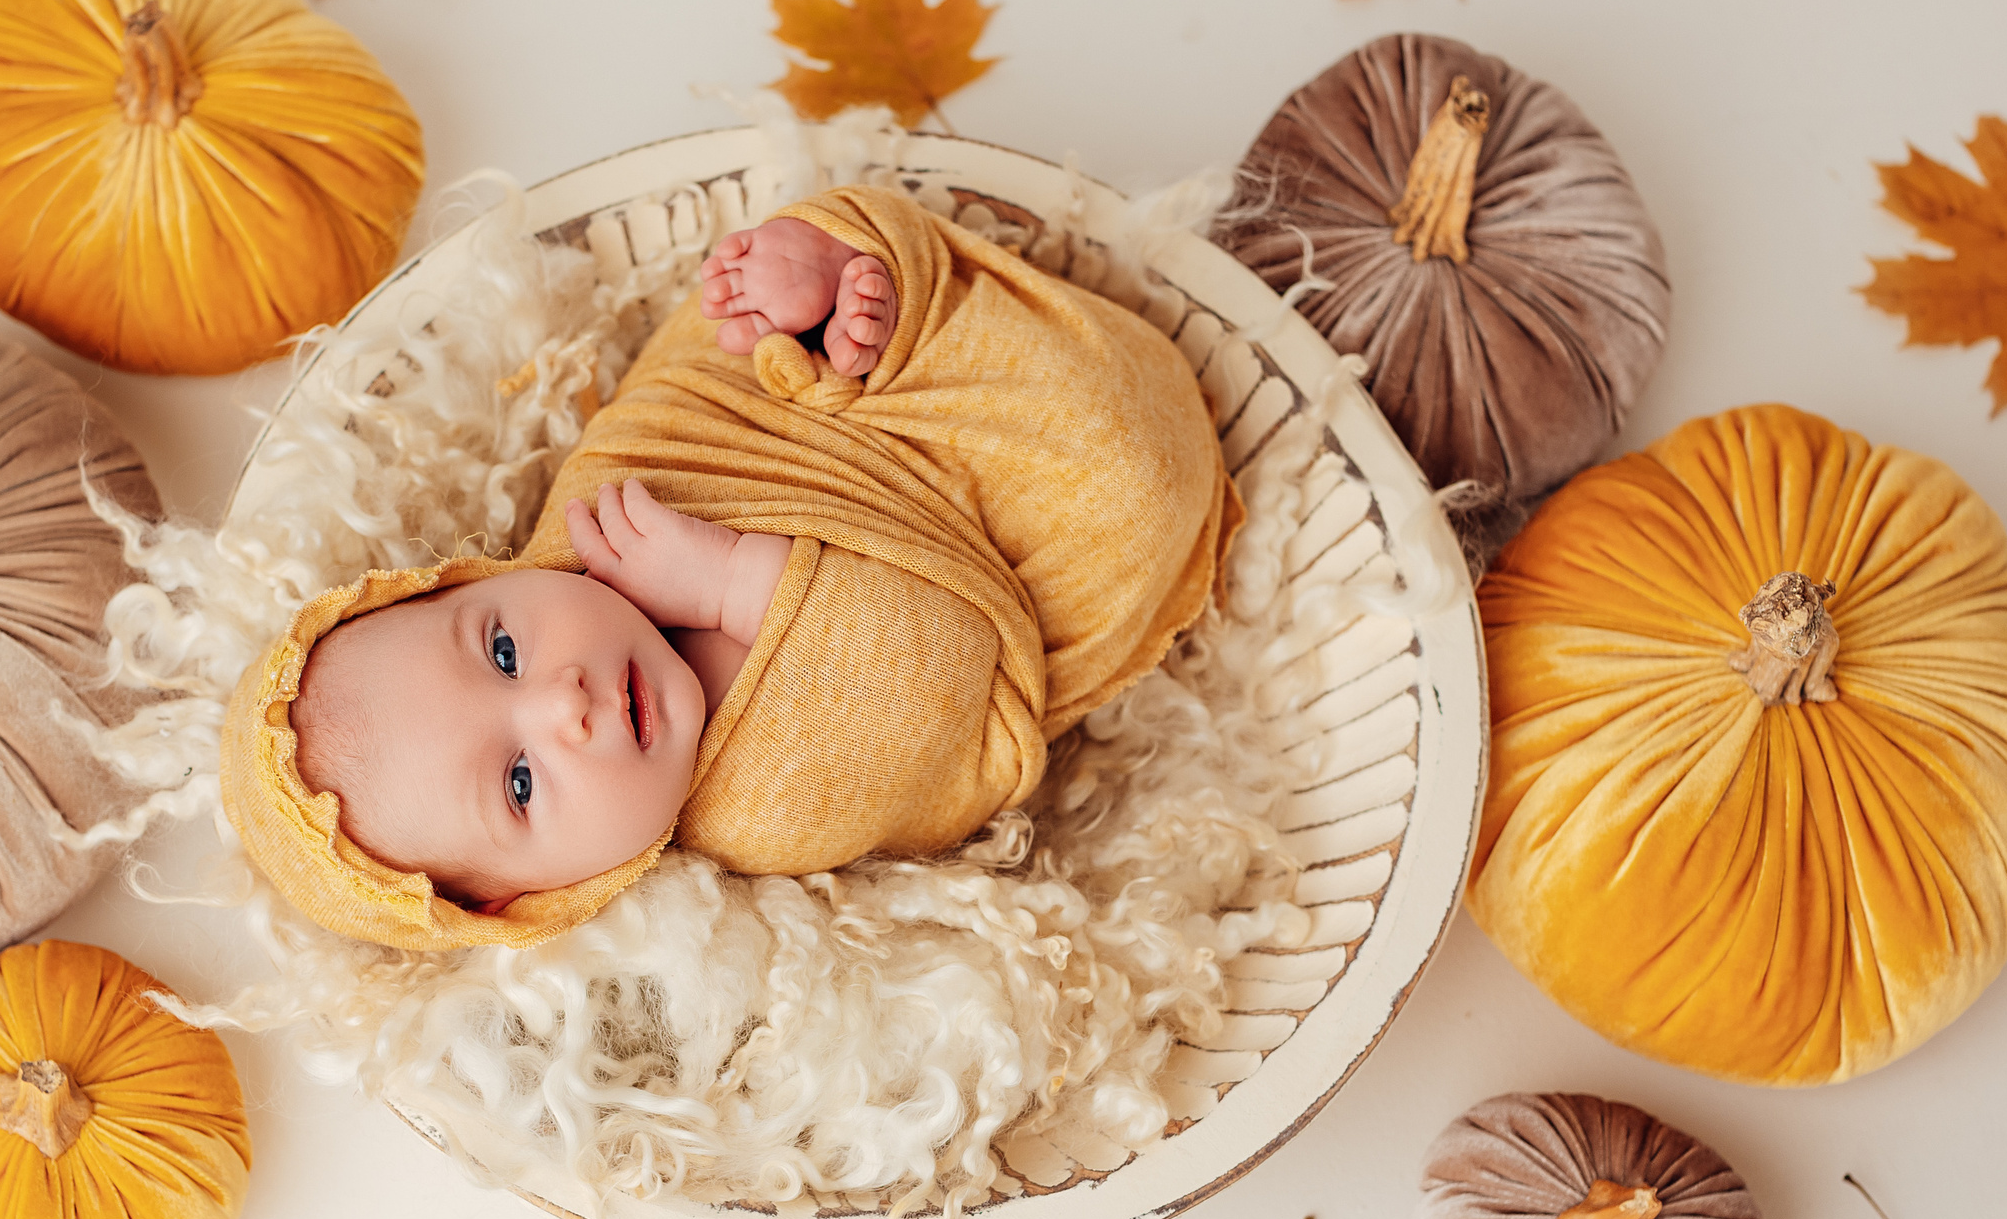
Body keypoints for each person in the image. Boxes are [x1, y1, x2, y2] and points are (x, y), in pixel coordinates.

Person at [221, 184, 1242, 952]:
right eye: (522, 782)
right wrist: (729, 583)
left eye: (498, 648)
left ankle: (856, 294)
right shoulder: (757, 808)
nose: (562, 703)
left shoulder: (599, 519)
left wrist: (775, 328)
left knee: (842, 306)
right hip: (1045, 558)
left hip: (935, 401)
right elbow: (948, 696)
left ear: (465, 578)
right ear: (527, 900)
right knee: (1127, 486)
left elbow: (686, 390)